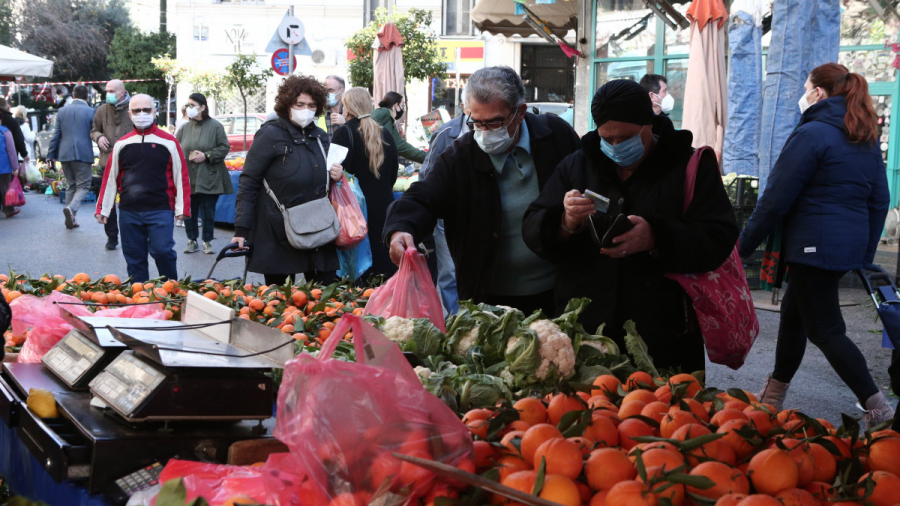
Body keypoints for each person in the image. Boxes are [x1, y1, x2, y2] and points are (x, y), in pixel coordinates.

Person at [522, 79, 738, 373]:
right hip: (586, 332)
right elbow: (533, 225)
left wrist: (656, 237)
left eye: (626, 137)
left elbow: (719, 236)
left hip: (662, 336)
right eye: (607, 138)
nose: (616, 146)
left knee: (663, 403)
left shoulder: (689, 165)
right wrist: (565, 221)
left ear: (649, 123)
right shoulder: (578, 164)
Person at [739, 63, 894, 428]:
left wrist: (740, 249)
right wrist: (863, 253)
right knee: (794, 316)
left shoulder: (812, 133)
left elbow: (775, 200)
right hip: (838, 247)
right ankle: (773, 396)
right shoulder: (863, 136)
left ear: (819, 93)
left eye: (806, 88)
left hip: (813, 246)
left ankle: (878, 409)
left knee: (825, 329)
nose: (803, 95)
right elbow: (880, 200)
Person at [384, 66, 581, 315]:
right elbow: (423, 196)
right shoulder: (460, 156)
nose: (485, 132)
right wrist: (400, 227)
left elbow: (588, 179)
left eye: (495, 122)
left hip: (559, 291)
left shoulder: (555, 135)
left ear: (520, 112)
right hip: (489, 298)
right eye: (476, 123)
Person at [232, 76, 343, 286]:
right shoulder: (270, 134)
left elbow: (323, 175)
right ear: (287, 104)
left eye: (311, 106)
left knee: (326, 295)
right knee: (280, 300)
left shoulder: (320, 136)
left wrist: (336, 174)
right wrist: (241, 229)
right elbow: (249, 182)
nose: (306, 110)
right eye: (299, 104)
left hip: (317, 227)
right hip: (277, 231)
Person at [95, 94, 190, 283]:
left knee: (163, 251)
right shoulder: (122, 144)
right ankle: (139, 295)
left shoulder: (170, 142)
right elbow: (110, 179)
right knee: (134, 257)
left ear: (155, 112)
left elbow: (181, 177)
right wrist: (103, 209)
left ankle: (171, 290)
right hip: (129, 211)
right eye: (137, 111)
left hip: (161, 209)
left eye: (146, 110)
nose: (142, 114)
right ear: (130, 114)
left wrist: (183, 208)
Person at [332, 87, 399, 278]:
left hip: (353, 212)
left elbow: (333, 173)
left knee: (356, 269)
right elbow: (393, 175)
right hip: (384, 208)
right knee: (382, 269)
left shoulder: (344, 133)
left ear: (347, 108)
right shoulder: (385, 133)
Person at [419, 98, 470, 315]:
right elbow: (426, 176)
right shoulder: (445, 133)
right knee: (449, 272)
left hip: (483, 214)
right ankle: (455, 320)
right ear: (465, 106)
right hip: (448, 216)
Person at [177, 93, 232, 255]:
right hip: (189, 176)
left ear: (202, 107)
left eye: (192, 105)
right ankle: (192, 240)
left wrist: (206, 156)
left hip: (209, 176)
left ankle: (207, 241)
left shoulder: (215, 126)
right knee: (190, 210)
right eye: (188, 105)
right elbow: (176, 147)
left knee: (208, 210)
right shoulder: (185, 128)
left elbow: (224, 147)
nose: (189, 108)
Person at [91, 79, 132, 250]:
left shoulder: (133, 109)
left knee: (129, 202)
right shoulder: (102, 110)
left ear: (122, 93)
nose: (108, 94)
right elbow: (94, 130)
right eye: (107, 91)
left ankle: (130, 235)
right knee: (107, 202)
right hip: (107, 162)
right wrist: (98, 137)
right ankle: (112, 236)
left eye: (111, 91)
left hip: (129, 164)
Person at [48, 85, 96, 230]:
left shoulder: (62, 111)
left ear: (73, 96)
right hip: (83, 154)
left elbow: (56, 135)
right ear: (87, 96)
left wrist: (51, 155)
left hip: (65, 154)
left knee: (70, 186)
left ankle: (71, 218)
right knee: (84, 186)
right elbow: (95, 133)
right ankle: (72, 209)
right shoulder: (91, 111)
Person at [371, 91, 426, 164]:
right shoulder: (386, 114)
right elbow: (401, 146)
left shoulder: (379, 114)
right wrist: (429, 157)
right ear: (396, 105)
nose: (402, 109)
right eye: (402, 106)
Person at [0, 123, 20, 218]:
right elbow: (11, 150)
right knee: (4, 188)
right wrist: (15, 166)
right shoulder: (5, 132)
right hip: (3, 166)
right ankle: (9, 210)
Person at [0, 98, 28, 165]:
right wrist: (24, 154)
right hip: (7, 161)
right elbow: (19, 139)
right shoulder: (11, 121)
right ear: (7, 107)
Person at [320, 75, 347, 140]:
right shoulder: (319, 112)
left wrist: (346, 124)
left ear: (342, 91)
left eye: (330, 90)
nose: (327, 94)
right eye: (325, 91)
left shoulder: (351, 112)